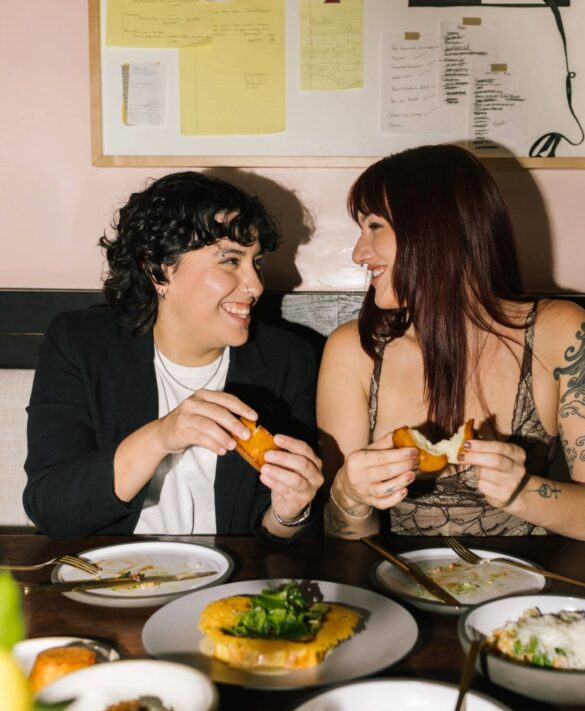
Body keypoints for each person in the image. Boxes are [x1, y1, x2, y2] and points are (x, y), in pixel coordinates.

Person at [24, 171, 323, 541]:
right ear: (158, 270)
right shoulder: (81, 343)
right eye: (230, 261)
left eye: (256, 261)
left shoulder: (289, 360)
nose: (256, 285)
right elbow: (51, 508)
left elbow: (277, 536)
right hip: (113, 578)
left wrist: (289, 512)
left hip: (230, 582)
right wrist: (162, 436)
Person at [317, 144, 585, 539]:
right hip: (392, 588)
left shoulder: (560, 331)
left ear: (435, 228)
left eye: (375, 226)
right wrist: (349, 496)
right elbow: (341, 541)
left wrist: (522, 493)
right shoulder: (352, 351)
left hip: (527, 594)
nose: (359, 253)